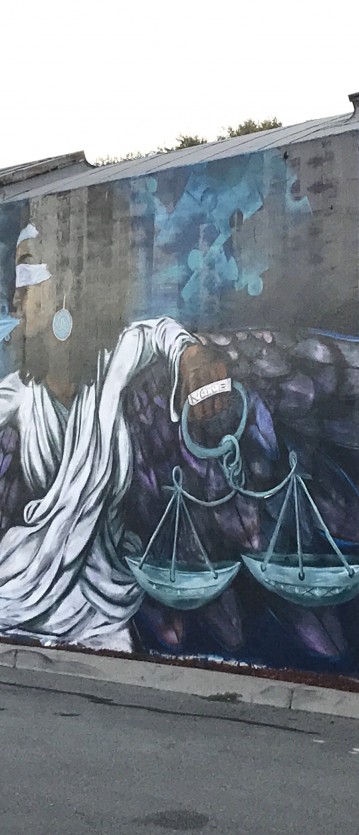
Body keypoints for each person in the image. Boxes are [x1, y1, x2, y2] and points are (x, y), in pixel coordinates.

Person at [0, 223, 227, 651]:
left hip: (105, 607)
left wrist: (192, 353)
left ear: (64, 285)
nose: (15, 295)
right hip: (17, 593)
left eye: (27, 270)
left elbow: (158, 333)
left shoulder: (117, 365)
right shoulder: (19, 394)